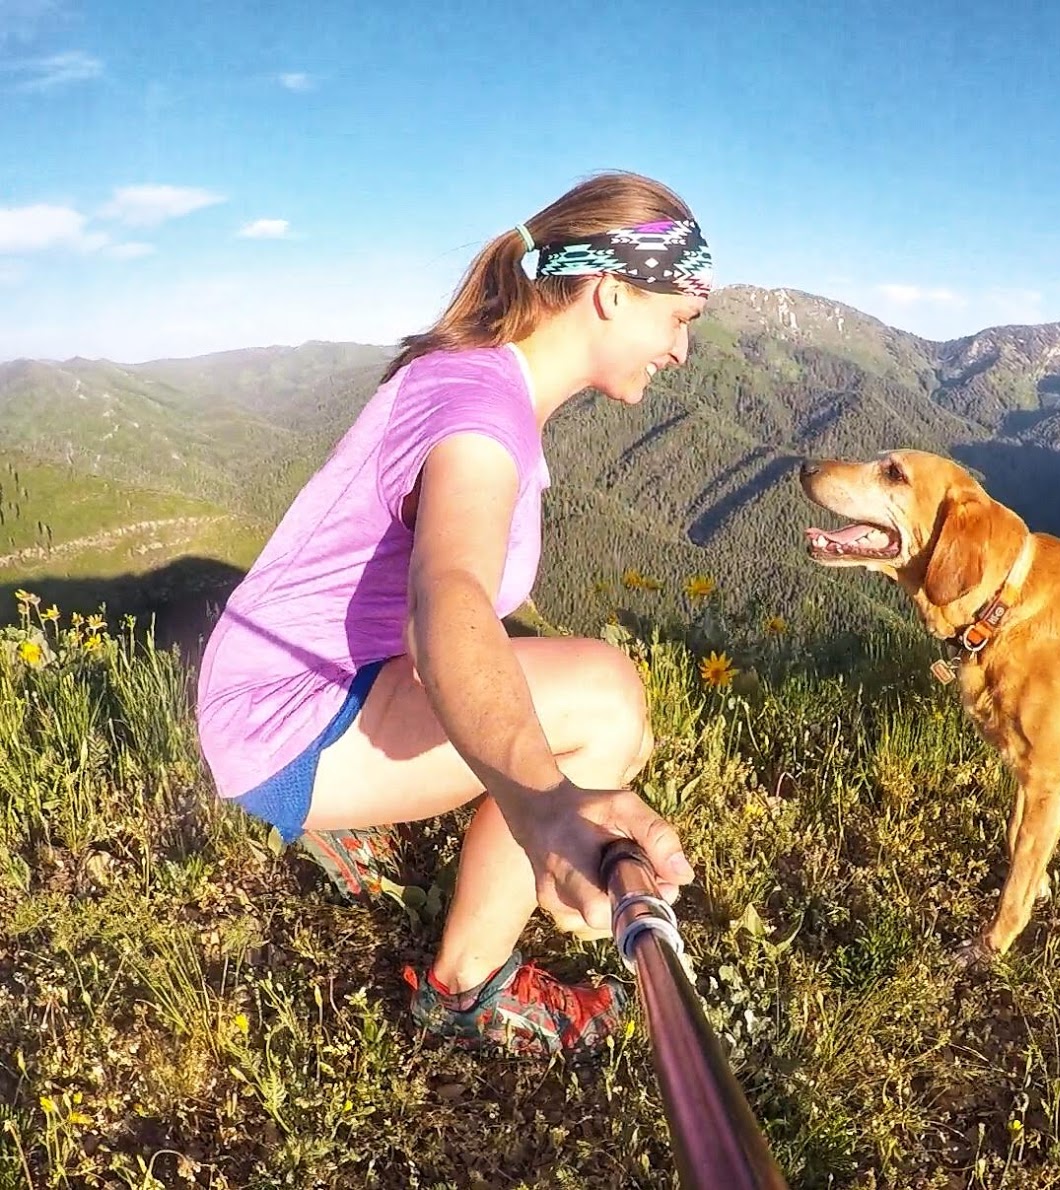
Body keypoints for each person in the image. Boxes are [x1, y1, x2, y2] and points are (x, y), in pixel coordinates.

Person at [195, 171, 712, 1056]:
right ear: (612, 291)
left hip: (294, 678)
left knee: (562, 685)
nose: (681, 350)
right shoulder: (481, 413)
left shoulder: (475, 375)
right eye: (680, 318)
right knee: (605, 705)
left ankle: (349, 819)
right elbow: (451, 601)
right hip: (281, 723)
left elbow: (430, 616)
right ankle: (466, 986)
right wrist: (544, 803)